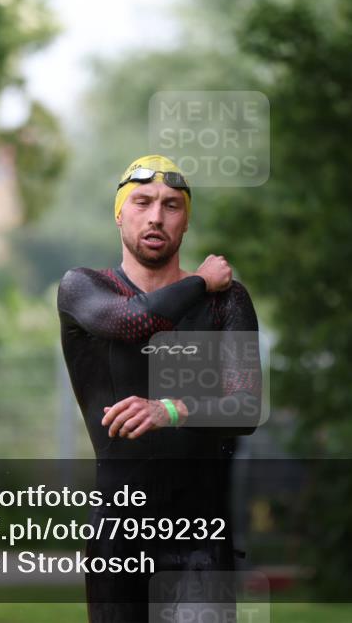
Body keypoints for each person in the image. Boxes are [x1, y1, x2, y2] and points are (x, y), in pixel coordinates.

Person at [57, 154, 261, 622]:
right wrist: (199, 281)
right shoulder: (85, 288)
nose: (156, 216)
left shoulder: (227, 301)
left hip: (200, 538)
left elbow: (246, 409)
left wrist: (170, 410)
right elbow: (134, 322)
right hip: (118, 537)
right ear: (119, 213)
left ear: (186, 220)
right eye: (142, 202)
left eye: (171, 205)